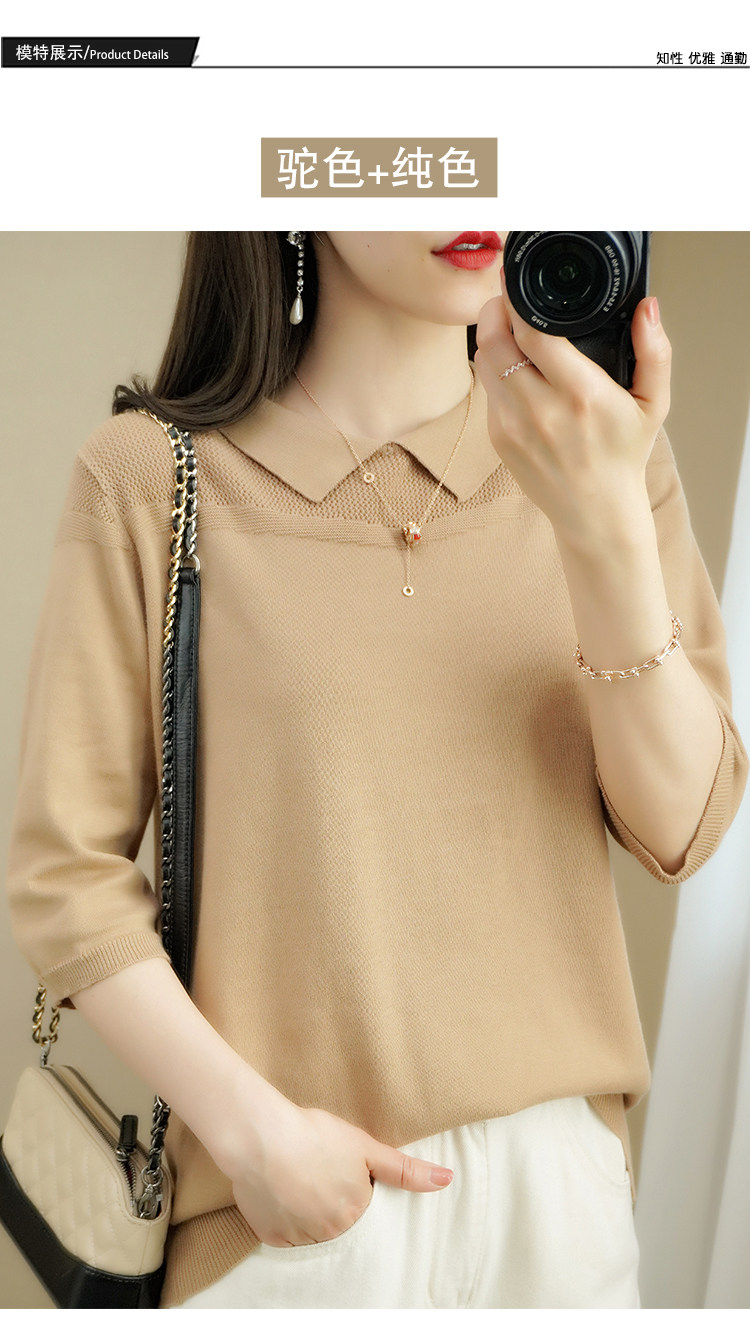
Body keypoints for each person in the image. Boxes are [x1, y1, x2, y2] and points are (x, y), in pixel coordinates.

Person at [5, 231, 748, 1310]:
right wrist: (253, 1135)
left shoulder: (602, 450)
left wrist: (606, 527)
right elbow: (63, 874)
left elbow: (685, 825)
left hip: (560, 1210)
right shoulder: (150, 477)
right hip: (291, 1218)